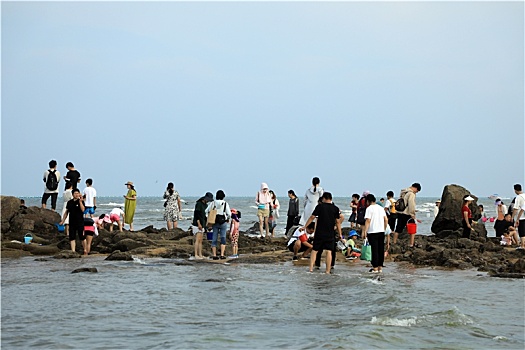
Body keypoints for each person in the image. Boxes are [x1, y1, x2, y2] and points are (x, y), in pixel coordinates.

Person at [304, 192, 343, 274]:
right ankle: (327, 271)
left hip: (319, 232)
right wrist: (340, 234)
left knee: (315, 250)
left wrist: (305, 226)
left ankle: (310, 269)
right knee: (329, 251)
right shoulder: (335, 208)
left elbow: (312, 217)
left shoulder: (320, 207)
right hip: (330, 233)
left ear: (324, 198)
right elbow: (338, 222)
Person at [362, 194, 388, 273]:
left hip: (372, 232)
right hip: (381, 231)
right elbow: (386, 219)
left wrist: (365, 231)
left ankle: (375, 267)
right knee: (380, 249)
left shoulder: (369, 209)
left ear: (368, 201)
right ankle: (380, 267)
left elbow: (368, 220)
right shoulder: (380, 208)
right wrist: (384, 228)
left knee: (374, 250)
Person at [59, 188, 87, 254]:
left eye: (78, 193)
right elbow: (66, 212)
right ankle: (73, 251)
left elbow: (83, 210)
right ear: (72, 194)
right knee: (72, 237)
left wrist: (80, 202)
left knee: (82, 236)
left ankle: (85, 250)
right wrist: (63, 221)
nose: (77, 195)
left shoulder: (81, 201)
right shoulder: (69, 202)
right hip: (72, 221)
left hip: (80, 221)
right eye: (75, 193)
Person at [394, 183, 422, 248]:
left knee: (398, 229)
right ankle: (411, 244)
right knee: (412, 229)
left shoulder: (403, 192)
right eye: (417, 191)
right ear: (416, 188)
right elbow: (411, 204)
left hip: (400, 212)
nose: (416, 192)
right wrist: (412, 214)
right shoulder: (411, 194)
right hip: (407, 214)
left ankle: (394, 243)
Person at [206, 190, 231, 260]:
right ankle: (222, 255)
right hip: (223, 222)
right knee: (223, 238)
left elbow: (206, 211)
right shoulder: (225, 203)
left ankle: (214, 255)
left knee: (214, 238)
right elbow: (229, 214)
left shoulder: (213, 203)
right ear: (223, 196)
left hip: (215, 222)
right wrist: (227, 218)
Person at [191, 192, 214, 259]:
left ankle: (200, 254)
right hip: (197, 224)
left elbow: (205, 216)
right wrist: (199, 224)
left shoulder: (206, 206)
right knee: (197, 239)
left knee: (201, 240)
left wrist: (208, 225)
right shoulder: (198, 204)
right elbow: (196, 214)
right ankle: (196, 254)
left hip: (203, 224)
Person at [512, 184, 525, 250]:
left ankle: (522, 245)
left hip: (521, 217)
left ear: (515, 190)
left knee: (522, 231)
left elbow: (516, 208)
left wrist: (513, 217)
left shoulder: (518, 197)